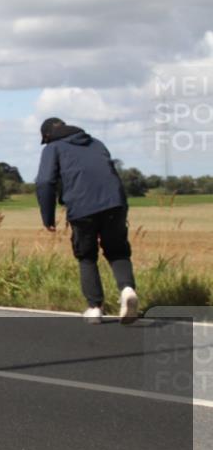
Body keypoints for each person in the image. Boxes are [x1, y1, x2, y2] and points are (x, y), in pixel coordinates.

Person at [35, 118, 138, 324]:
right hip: (115, 203)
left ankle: (95, 308)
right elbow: (112, 174)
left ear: (47, 136)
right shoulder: (96, 142)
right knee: (117, 250)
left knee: (87, 255)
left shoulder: (53, 147)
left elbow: (45, 181)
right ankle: (127, 290)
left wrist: (48, 217)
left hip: (82, 206)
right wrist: (122, 207)